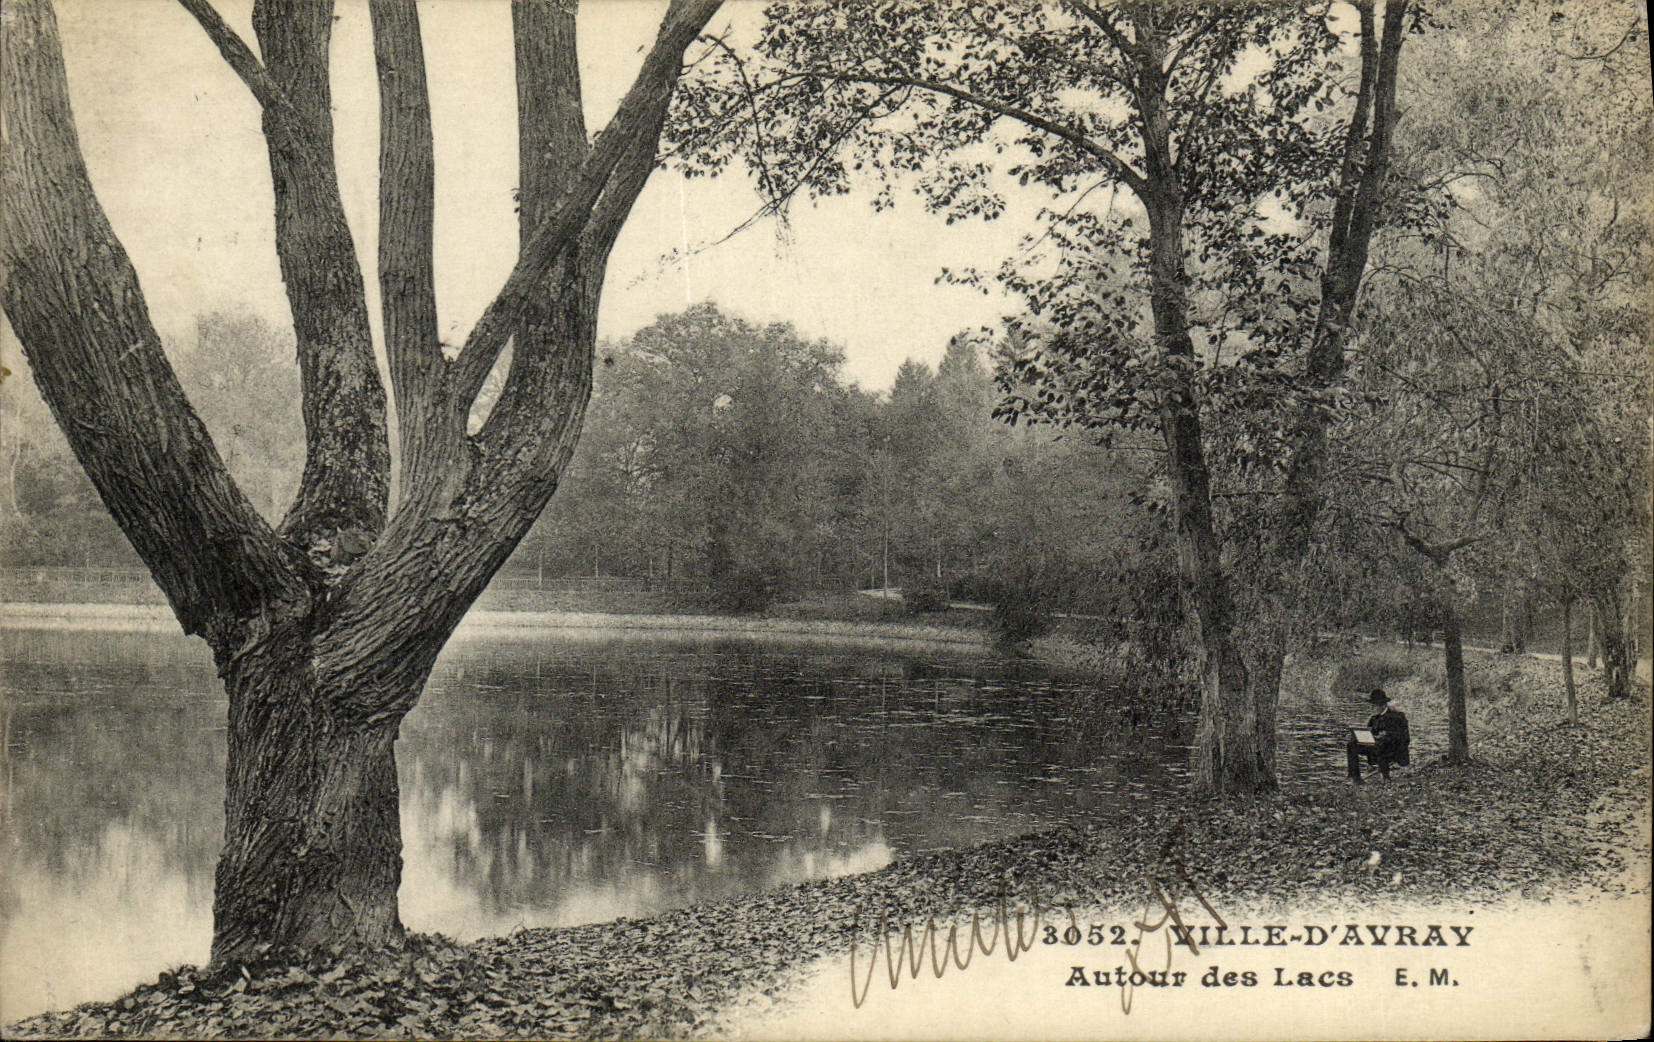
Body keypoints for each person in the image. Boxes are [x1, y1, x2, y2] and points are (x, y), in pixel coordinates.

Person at [1346, 688, 1410, 784]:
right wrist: (1356, 737)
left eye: (1374, 706)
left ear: (1383, 705)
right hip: (1377, 748)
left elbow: (1404, 738)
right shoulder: (1373, 719)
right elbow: (1370, 734)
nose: (1372, 708)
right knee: (1351, 745)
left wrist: (1387, 736)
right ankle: (1355, 777)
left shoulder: (1397, 716)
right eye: (1372, 705)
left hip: (1394, 750)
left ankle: (1386, 778)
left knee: (1381, 744)